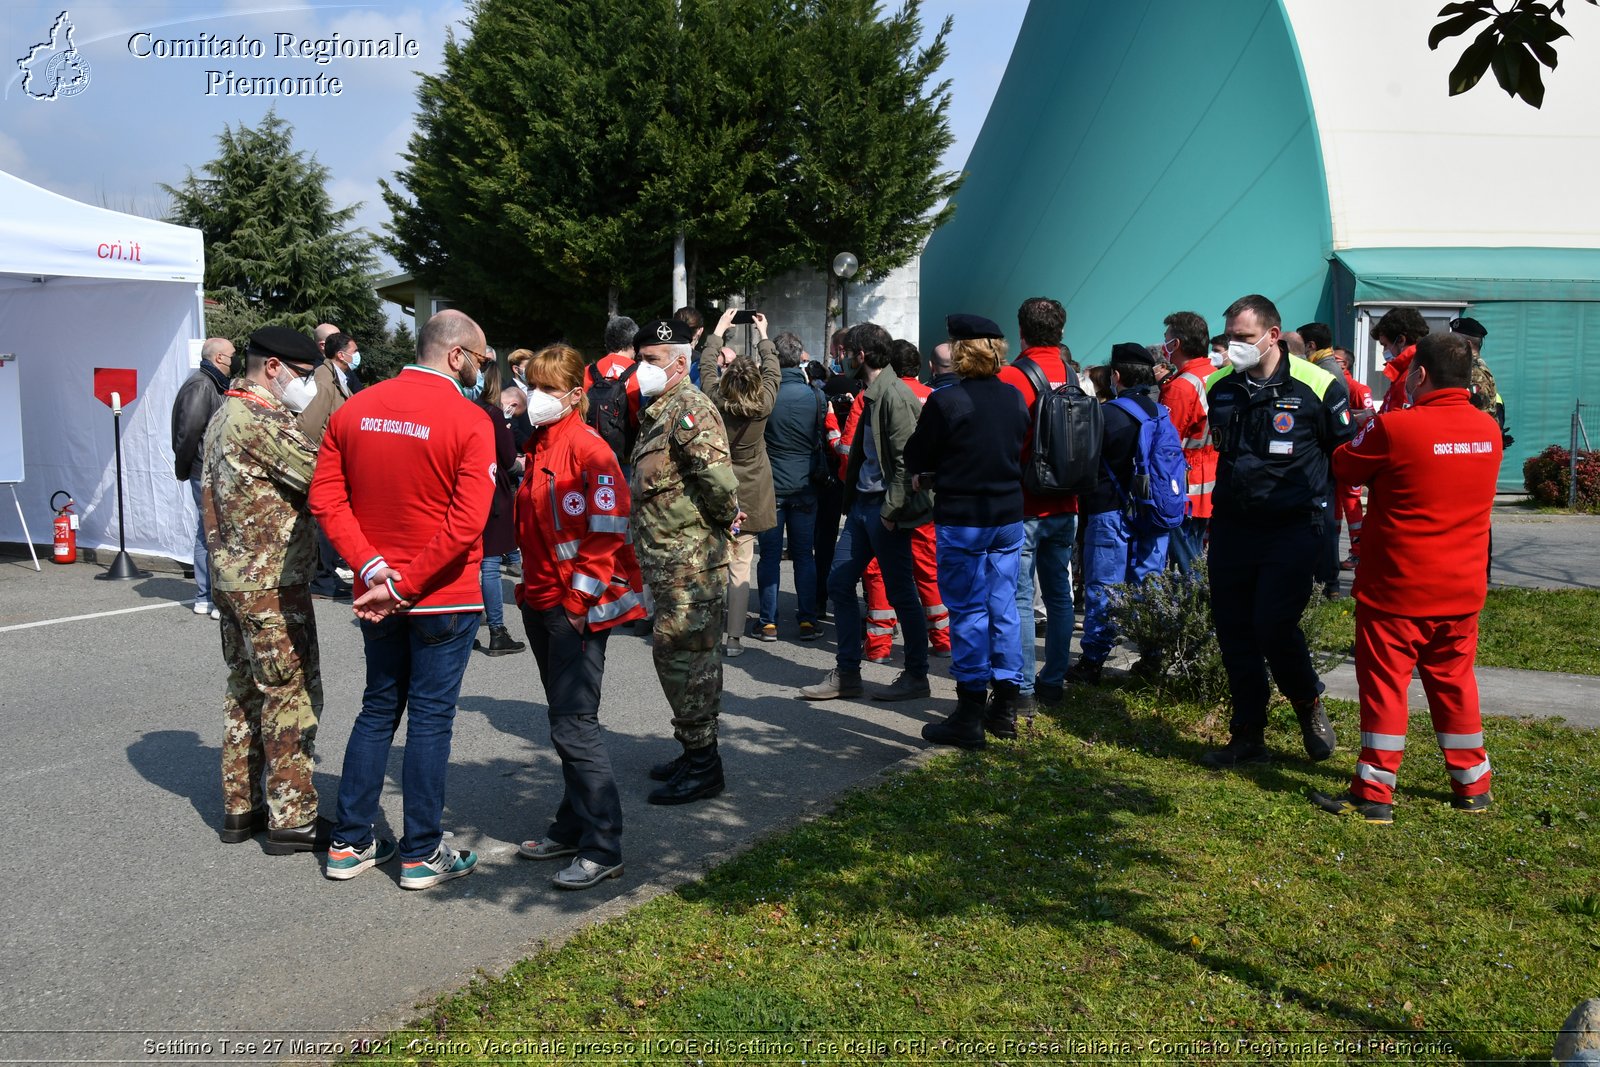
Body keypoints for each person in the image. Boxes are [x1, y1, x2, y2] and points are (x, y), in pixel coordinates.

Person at [308, 309, 496, 888]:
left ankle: (350, 840)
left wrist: (372, 568)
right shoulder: (469, 419)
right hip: (440, 595)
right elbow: (468, 524)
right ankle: (420, 852)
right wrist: (404, 584)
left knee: (378, 708)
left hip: (377, 590)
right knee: (431, 719)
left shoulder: (356, 407)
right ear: (457, 355)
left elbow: (325, 498)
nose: (484, 370)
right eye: (482, 359)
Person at [1312, 331, 1501, 822]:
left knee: (1386, 688)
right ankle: (1472, 786)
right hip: (1461, 589)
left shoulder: (1396, 428)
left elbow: (1344, 464)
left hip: (1397, 589)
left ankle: (1374, 793)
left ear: (1420, 374)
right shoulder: (1488, 430)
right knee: (1456, 682)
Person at [1200, 294, 1355, 769]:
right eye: (1229, 338)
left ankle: (1308, 703)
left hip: (1292, 528)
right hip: (1232, 527)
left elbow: (1343, 456)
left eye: (1243, 338)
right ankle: (1247, 732)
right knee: (1234, 630)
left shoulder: (1320, 386)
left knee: (1273, 625)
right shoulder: (1220, 387)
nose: (1233, 347)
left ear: (1272, 335)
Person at [512, 344, 643, 888]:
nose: (535, 397)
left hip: (574, 611)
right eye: (532, 386)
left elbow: (607, 531)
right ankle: (571, 826)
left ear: (574, 394)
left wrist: (576, 603)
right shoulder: (540, 443)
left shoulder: (591, 451)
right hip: (540, 603)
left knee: (575, 726)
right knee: (562, 723)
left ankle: (603, 845)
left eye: (546, 388)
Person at [199, 326, 325, 853]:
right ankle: (292, 818)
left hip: (233, 580)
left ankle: (241, 806)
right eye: (301, 375)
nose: (307, 387)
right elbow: (321, 479)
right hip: (270, 583)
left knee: (245, 693)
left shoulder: (223, 413)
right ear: (273, 367)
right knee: (289, 697)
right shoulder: (261, 419)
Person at [629, 318, 741, 805]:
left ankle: (704, 764)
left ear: (679, 362)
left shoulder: (690, 408)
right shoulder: (661, 407)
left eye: (651, 359)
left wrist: (723, 527)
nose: (642, 368)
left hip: (691, 560)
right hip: (670, 558)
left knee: (688, 658)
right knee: (677, 655)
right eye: (641, 358)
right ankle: (691, 748)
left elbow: (719, 484)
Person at [906, 314, 1030, 746]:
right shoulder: (1015, 398)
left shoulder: (948, 402)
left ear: (960, 352)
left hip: (965, 519)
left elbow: (917, 451)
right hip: (1008, 517)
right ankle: (1006, 708)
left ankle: (970, 712)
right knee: (1005, 609)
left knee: (969, 614)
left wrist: (931, 471)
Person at [799, 323, 933, 703]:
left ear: (860, 356)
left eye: (844, 352)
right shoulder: (873, 393)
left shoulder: (895, 396)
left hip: (882, 511)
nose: (839, 359)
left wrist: (891, 512)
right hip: (862, 507)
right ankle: (847, 674)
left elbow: (908, 462)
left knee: (901, 591)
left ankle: (916, 675)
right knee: (841, 583)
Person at [1063, 343, 1173, 685]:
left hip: (1110, 512)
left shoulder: (1106, 415)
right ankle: (1153, 657)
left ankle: (1093, 661)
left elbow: (1083, 463)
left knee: (1105, 588)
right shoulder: (1161, 413)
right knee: (1150, 584)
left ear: (1117, 376)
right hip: (1154, 514)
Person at [996, 297, 1080, 710]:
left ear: (1021, 332)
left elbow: (1004, 442)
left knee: (1021, 599)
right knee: (1060, 595)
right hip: (1067, 501)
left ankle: (1024, 687)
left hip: (1026, 501)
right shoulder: (1073, 375)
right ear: (1061, 332)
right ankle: (1054, 680)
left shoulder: (1012, 376)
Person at [857, 340, 952, 662]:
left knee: (878, 572)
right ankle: (942, 640)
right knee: (928, 569)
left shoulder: (873, 397)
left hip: (883, 499)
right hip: (925, 499)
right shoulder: (934, 397)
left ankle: (879, 647)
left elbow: (851, 450)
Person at [698, 309, 780, 656]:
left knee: (708, 562)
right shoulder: (764, 402)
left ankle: (706, 631)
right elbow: (774, 368)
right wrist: (763, 333)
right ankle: (733, 639)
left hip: (716, 483)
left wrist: (718, 330)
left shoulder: (716, 399)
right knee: (740, 565)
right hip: (750, 487)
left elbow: (704, 364)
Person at [758, 330, 824, 641]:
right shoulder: (815, 395)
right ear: (799, 358)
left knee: (769, 555)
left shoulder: (766, 394)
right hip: (805, 484)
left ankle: (768, 622)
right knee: (804, 554)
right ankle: (807, 619)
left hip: (771, 484)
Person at [171, 336, 235, 620]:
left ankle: (206, 596)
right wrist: (185, 469)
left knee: (206, 531)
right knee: (215, 532)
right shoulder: (202, 385)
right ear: (219, 358)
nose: (234, 361)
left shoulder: (213, 383)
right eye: (232, 356)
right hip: (205, 470)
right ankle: (210, 597)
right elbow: (188, 434)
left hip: (209, 469)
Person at [472, 359, 526, 657]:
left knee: (471, 564)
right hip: (493, 495)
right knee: (490, 565)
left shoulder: (470, 410)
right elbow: (507, 457)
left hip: (469, 493)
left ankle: (467, 626)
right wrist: (520, 463)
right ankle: (497, 631)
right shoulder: (495, 416)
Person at [301, 332, 360, 601]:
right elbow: (310, 424)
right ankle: (322, 580)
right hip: (326, 460)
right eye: (354, 350)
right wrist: (322, 453)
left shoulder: (336, 376)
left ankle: (327, 575)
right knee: (325, 522)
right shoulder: (325, 378)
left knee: (330, 521)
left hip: (336, 458)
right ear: (341, 354)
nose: (357, 355)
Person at [1157, 311, 1217, 573]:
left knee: (1185, 560)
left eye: (1167, 339)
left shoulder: (1181, 387)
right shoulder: (1214, 374)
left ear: (1177, 344)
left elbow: (1166, 442)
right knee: (1196, 550)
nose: (1164, 345)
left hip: (1185, 483)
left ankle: (1195, 609)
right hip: (1210, 477)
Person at [1330, 347, 1374, 571]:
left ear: (1345, 364)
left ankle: (1357, 553)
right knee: (1334, 507)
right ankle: (1330, 551)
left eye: (1335, 359)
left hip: (1350, 457)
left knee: (1351, 504)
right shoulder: (1329, 383)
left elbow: (1370, 421)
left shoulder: (1358, 388)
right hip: (1333, 457)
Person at [1372, 307, 1429, 413]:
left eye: (1385, 345)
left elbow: (1402, 422)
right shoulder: (1404, 370)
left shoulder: (1411, 375)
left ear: (1401, 340)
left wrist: (1371, 421)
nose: (1384, 351)